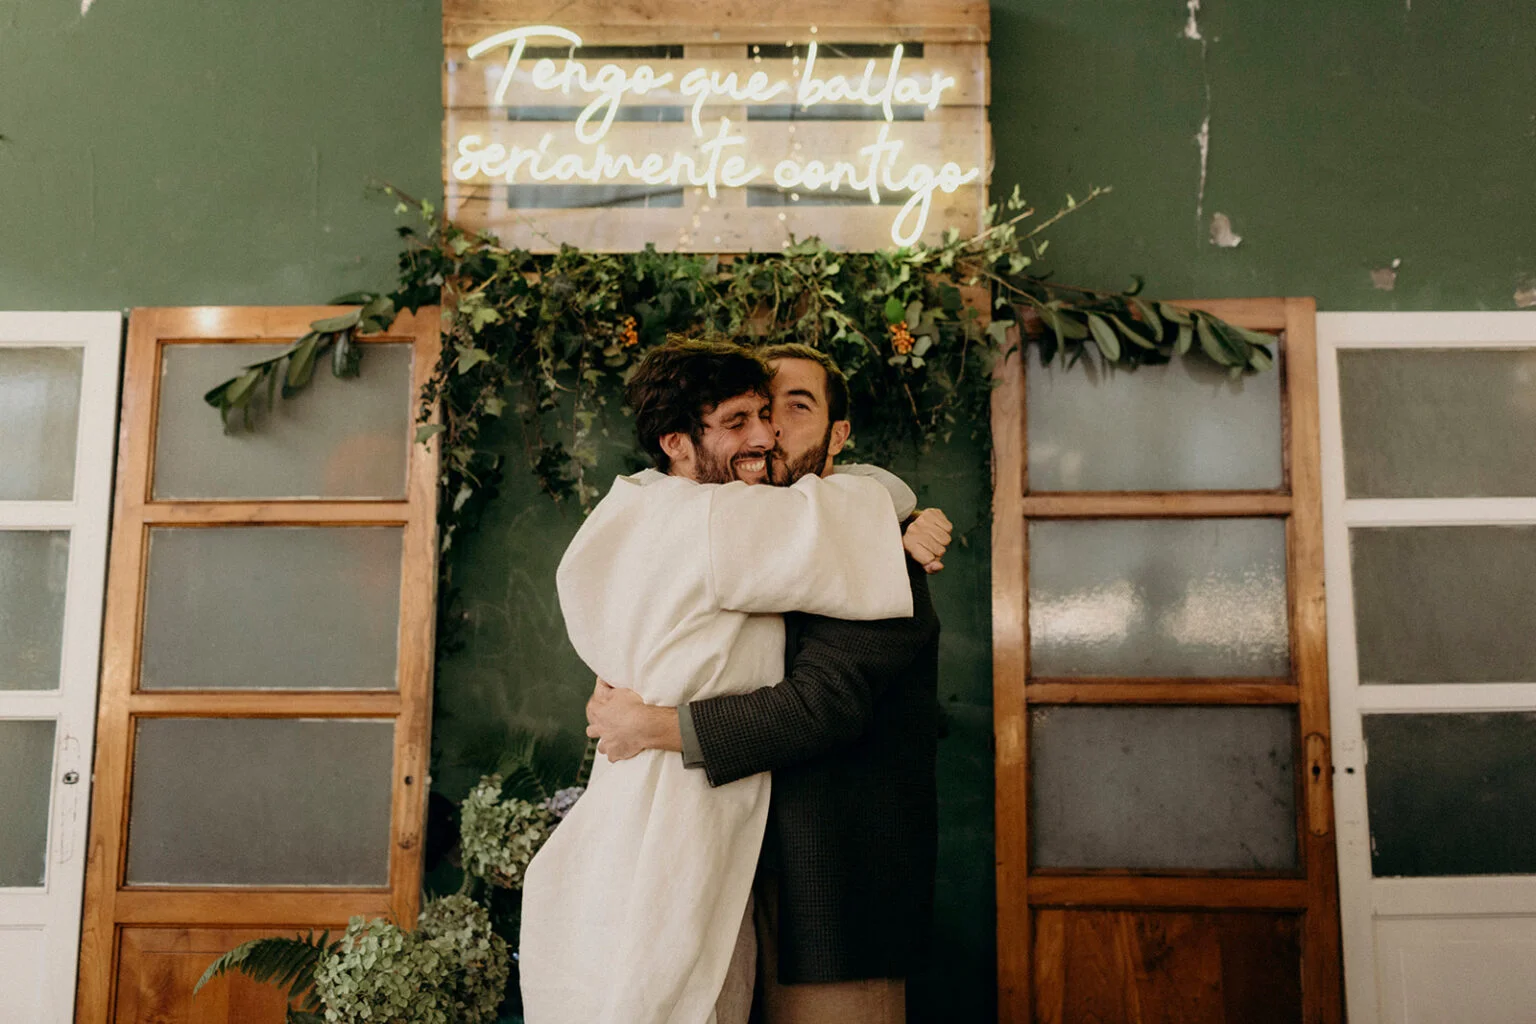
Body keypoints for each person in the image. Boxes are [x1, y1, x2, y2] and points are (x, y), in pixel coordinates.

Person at [518, 339, 950, 1024]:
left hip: (832, 892)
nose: (770, 432)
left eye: (792, 409)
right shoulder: (732, 519)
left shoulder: (873, 557)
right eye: (753, 413)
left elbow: (823, 705)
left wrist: (652, 725)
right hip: (726, 878)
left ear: (841, 434)